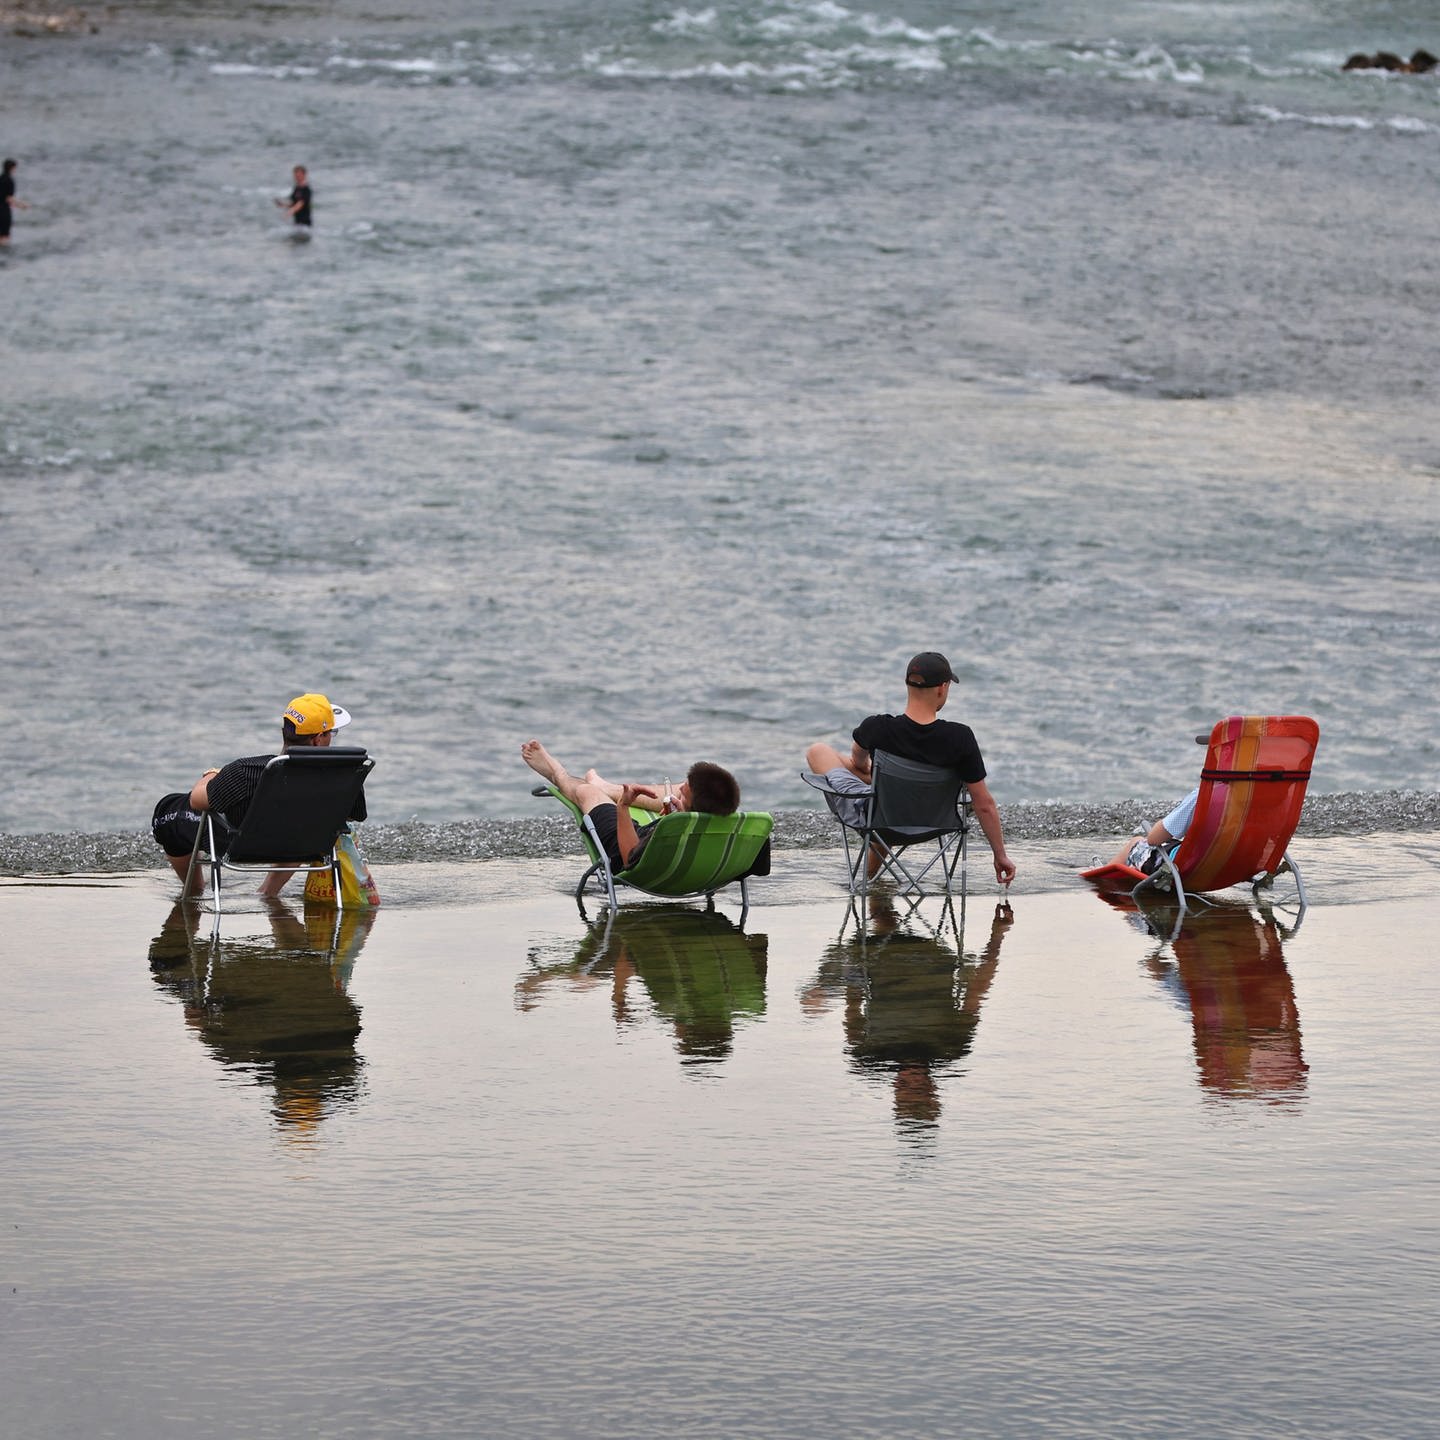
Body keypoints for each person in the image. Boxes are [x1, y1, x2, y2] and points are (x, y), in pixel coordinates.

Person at [804, 651, 1016, 887]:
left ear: (907, 685)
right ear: (942, 688)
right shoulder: (960, 738)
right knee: (888, 799)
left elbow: (857, 759)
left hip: (880, 819)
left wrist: (868, 773)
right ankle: (872, 875)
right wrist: (1000, 855)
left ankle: (868, 879)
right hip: (935, 822)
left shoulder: (878, 728)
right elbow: (983, 803)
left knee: (818, 750)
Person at [151, 692, 366, 896]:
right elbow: (353, 815)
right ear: (318, 739)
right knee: (306, 820)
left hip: (242, 844)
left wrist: (211, 774)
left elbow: (196, 801)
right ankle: (268, 892)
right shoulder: (346, 775)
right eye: (332, 733)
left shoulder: (247, 771)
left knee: (167, 810)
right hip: (305, 844)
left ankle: (195, 888)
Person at [521, 739, 740, 877]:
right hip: (694, 864)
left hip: (624, 846)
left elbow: (629, 860)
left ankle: (558, 773)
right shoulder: (734, 827)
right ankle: (606, 786)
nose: (681, 788)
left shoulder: (671, 832)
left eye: (685, 793)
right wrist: (679, 811)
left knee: (588, 793)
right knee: (672, 790)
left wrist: (623, 806)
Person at [1103, 787, 1199, 873]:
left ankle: (1102, 877)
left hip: (1182, 868)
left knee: (1136, 843)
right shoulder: (1213, 797)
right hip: (1210, 872)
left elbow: (1154, 839)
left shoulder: (1200, 797)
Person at [1, 159, 30, 247]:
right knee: (4, 235)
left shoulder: (0, 178)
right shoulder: (10, 180)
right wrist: (22, 205)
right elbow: (9, 198)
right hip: (3, 210)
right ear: (12, 168)